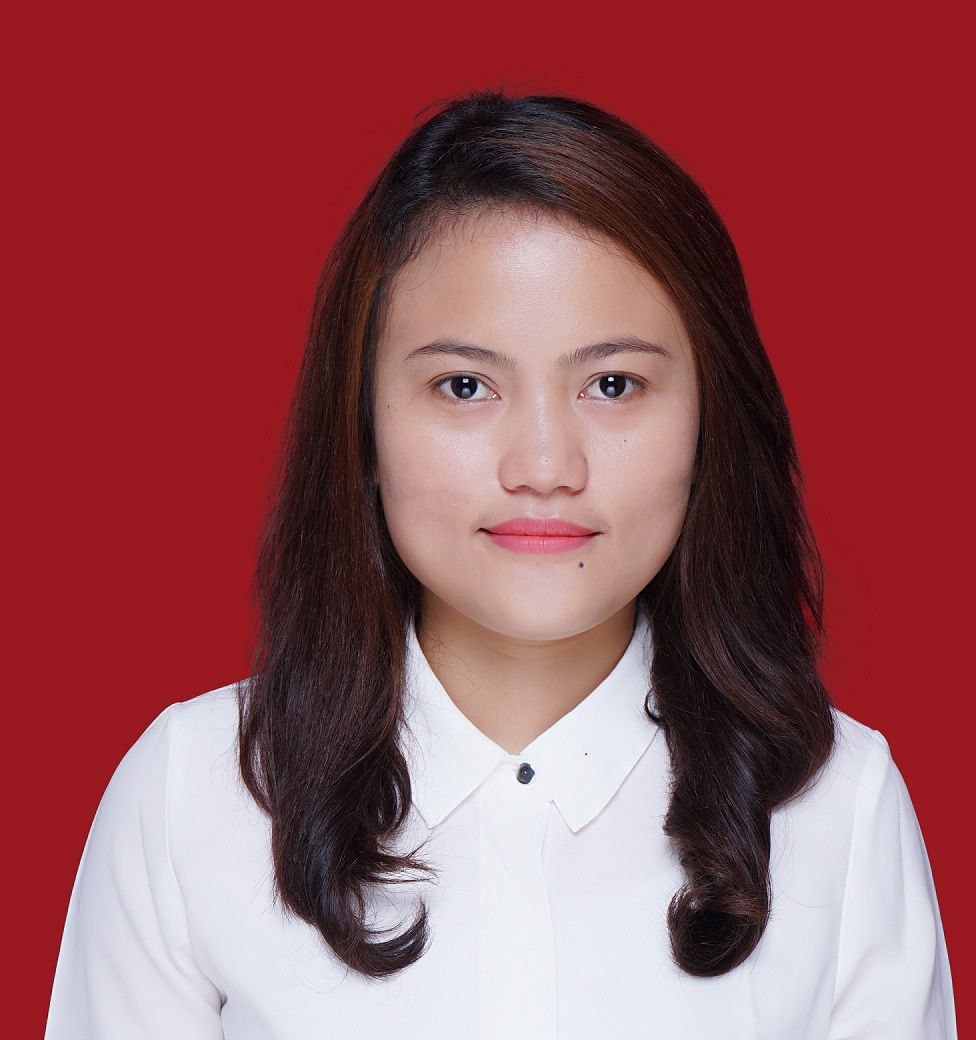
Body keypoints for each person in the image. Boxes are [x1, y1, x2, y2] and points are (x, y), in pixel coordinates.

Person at [44, 89, 957, 1039]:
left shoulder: (841, 806)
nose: (545, 467)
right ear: (362, 422)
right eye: (465, 385)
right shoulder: (192, 796)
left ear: (709, 420)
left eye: (613, 384)